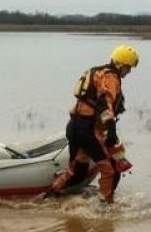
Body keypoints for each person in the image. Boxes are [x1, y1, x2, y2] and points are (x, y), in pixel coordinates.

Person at [46, 45, 139, 204]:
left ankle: (49, 196)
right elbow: (105, 103)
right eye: (128, 68)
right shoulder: (111, 78)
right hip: (86, 129)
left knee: (77, 172)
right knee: (109, 169)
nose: (129, 72)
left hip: (74, 126)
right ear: (120, 64)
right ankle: (105, 207)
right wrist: (111, 130)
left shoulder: (97, 71)